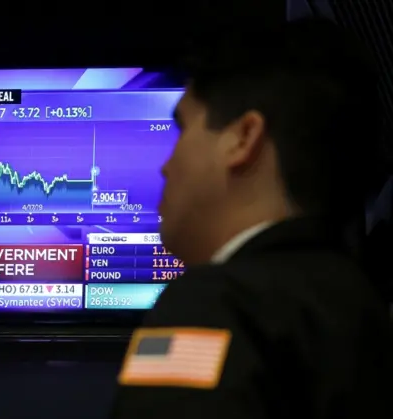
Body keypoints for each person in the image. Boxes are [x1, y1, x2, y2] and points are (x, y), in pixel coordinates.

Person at [111, 18, 393, 419]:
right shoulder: (362, 306)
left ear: (244, 139)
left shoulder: (208, 305)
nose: (166, 167)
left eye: (183, 130)